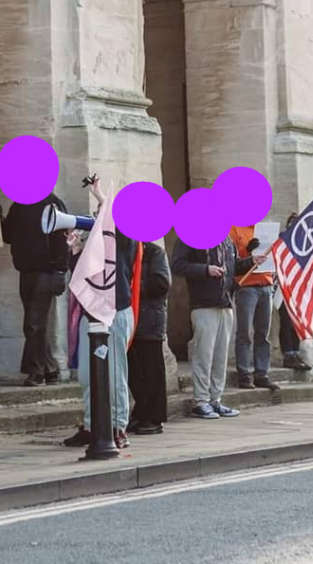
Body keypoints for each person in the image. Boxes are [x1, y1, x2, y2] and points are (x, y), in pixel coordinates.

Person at [63, 177, 140, 450]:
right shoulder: (93, 247)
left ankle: (118, 426)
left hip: (115, 312)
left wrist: (100, 197)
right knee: (87, 375)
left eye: (101, 217)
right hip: (91, 315)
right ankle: (91, 424)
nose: (96, 220)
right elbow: (85, 279)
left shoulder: (126, 236)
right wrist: (75, 250)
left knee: (115, 374)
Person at [171, 233, 260, 419]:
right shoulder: (190, 235)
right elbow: (178, 265)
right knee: (203, 355)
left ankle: (215, 399)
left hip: (226, 303)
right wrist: (205, 269)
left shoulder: (227, 240)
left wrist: (251, 261)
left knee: (220, 356)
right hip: (204, 305)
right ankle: (200, 401)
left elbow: (233, 267)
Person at [0, 190, 69, 387]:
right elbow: (8, 235)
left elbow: (62, 240)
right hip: (26, 272)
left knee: (33, 324)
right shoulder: (19, 205)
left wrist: (60, 271)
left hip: (46, 272)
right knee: (38, 325)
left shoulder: (53, 203)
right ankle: (50, 369)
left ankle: (36, 372)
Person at [128, 239, 171, 436]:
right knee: (134, 372)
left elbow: (161, 283)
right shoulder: (126, 250)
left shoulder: (155, 252)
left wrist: (133, 285)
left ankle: (154, 417)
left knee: (152, 371)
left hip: (149, 318)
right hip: (132, 319)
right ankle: (141, 410)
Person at [230, 223, 280, 391]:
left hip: (265, 285)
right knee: (244, 333)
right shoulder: (234, 229)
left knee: (263, 334)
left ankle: (261, 373)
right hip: (247, 286)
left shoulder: (263, 229)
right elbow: (232, 261)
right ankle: (244, 374)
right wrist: (248, 253)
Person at [277, 212, 310, 372]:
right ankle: (288, 354)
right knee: (286, 321)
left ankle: (296, 353)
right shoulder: (282, 240)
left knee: (297, 323)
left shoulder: (304, 243)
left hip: (299, 288)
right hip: (284, 287)